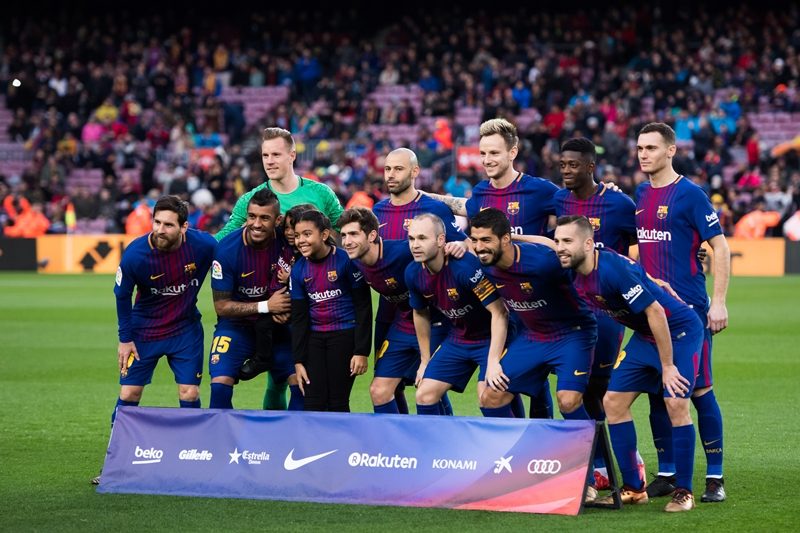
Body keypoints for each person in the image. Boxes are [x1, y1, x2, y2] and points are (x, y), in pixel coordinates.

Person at [554, 215, 702, 512]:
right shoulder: (573, 265)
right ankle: (634, 488)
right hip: (645, 336)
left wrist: (668, 366)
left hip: (679, 332)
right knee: (613, 402)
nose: (560, 247)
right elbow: (543, 245)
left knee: (675, 404)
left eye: (567, 241)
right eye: (558, 241)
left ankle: (684, 492)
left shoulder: (611, 270)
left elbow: (656, 312)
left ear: (588, 243)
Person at [425, 118, 559, 419]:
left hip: (534, 300)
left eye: (494, 153)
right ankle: (517, 442)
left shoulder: (539, 190)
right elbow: (471, 224)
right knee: (503, 385)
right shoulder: (481, 193)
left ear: (512, 152)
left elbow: (575, 208)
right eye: (483, 153)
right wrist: (464, 245)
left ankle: (546, 443)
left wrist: (607, 188)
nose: (487, 160)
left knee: (534, 383)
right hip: (495, 301)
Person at [215, 127, 345, 410]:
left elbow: (346, 232)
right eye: (265, 155)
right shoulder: (252, 200)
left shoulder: (321, 193)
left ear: (292, 155)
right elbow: (223, 240)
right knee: (278, 378)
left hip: (312, 302)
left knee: (300, 379)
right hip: (269, 299)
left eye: (276, 154)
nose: (270, 161)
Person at [635, 123, 730, 503]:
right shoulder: (641, 194)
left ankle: (715, 477)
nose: (644, 154)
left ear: (671, 150)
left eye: (652, 147)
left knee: (700, 392)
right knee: (658, 392)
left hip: (689, 312)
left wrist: (718, 301)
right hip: (651, 311)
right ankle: (667, 472)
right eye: (640, 148)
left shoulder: (690, 195)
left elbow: (720, 247)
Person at [93, 196, 216, 485]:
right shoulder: (136, 254)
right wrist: (125, 340)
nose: (160, 229)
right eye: (157, 222)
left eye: (168, 225)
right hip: (143, 332)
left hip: (185, 330)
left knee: (189, 393)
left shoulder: (204, 246)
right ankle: (114, 463)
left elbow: (230, 259)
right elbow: (122, 296)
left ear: (184, 227)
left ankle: (192, 459)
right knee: (129, 394)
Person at [552, 137, 641, 488]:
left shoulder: (619, 204)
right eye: (562, 164)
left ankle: (631, 464)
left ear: (591, 166)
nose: (566, 171)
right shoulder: (558, 199)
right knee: (577, 389)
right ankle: (599, 467)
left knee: (599, 389)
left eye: (573, 165)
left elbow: (646, 243)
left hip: (607, 311)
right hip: (571, 309)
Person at [372, 147, 468, 414]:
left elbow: (463, 245)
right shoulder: (377, 211)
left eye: (398, 169)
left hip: (431, 312)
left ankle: (441, 437)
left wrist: (462, 245)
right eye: (387, 169)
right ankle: (401, 439)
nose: (391, 175)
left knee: (428, 386)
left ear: (415, 171)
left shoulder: (433, 209)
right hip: (390, 313)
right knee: (386, 387)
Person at [339, 207, 451, 414]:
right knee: (379, 391)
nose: (346, 241)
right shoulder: (353, 263)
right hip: (402, 324)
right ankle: (397, 436)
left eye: (353, 234)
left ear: (372, 235)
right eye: (343, 235)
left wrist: (459, 245)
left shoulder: (403, 252)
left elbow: (438, 250)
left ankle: (443, 433)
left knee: (429, 387)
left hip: (435, 323)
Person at [404, 213, 509, 416]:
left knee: (489, 395)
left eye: (422, 238)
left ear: (441, 240)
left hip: (490, 337)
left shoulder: (465, 267)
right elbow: (420, 313)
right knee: (424, 395)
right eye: (411, 238)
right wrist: (425, 360)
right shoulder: (412, 273)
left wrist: (493, 361)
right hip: (459, 338)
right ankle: (439, 438)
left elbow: (499, 312)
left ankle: (513, 437)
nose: (415, 245)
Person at [207, 189, 299, 410]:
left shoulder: (289, 240)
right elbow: (221, 306)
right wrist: (267, 306)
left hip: (279, 327)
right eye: (252, 216)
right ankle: (223, 433)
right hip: (236, 327)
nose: (256, 224)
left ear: (278, 220)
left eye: (264, 218)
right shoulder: (226, 250)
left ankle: (294, 432)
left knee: (302, 384)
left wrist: (288, 308)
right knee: (219, 385)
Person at [290, 210, 373, 412]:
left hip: (344, 336)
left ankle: (341, 435)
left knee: (337, 402)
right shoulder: (298, 270)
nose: (301, 240)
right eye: (297, 235)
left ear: (324, 235)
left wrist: (361, 351)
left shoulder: (347, 261)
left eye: (307, 234)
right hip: (314, 340)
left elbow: (363, 307)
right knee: (312, 403)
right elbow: (299, 318)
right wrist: (298, 361)